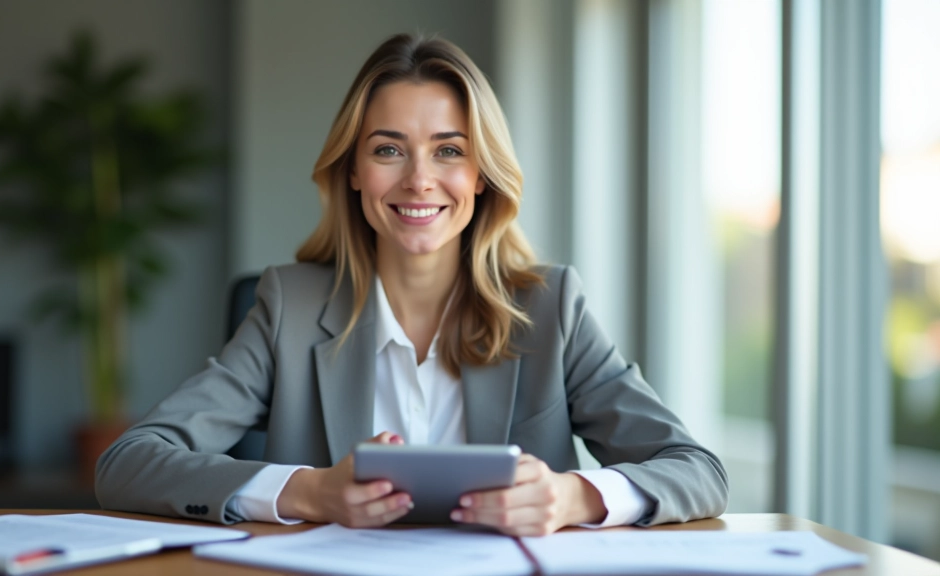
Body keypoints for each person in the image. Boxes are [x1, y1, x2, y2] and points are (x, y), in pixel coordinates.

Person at [95, 33, 728, 536]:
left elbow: (697, 471)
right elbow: (129, 462)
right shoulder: (290, 305)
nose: (419, 180)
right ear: (352, 171)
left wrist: (574, 495)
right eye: (389, 150)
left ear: (481, 175)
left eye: (449, 150)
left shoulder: (550, 306)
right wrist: (311, 491)